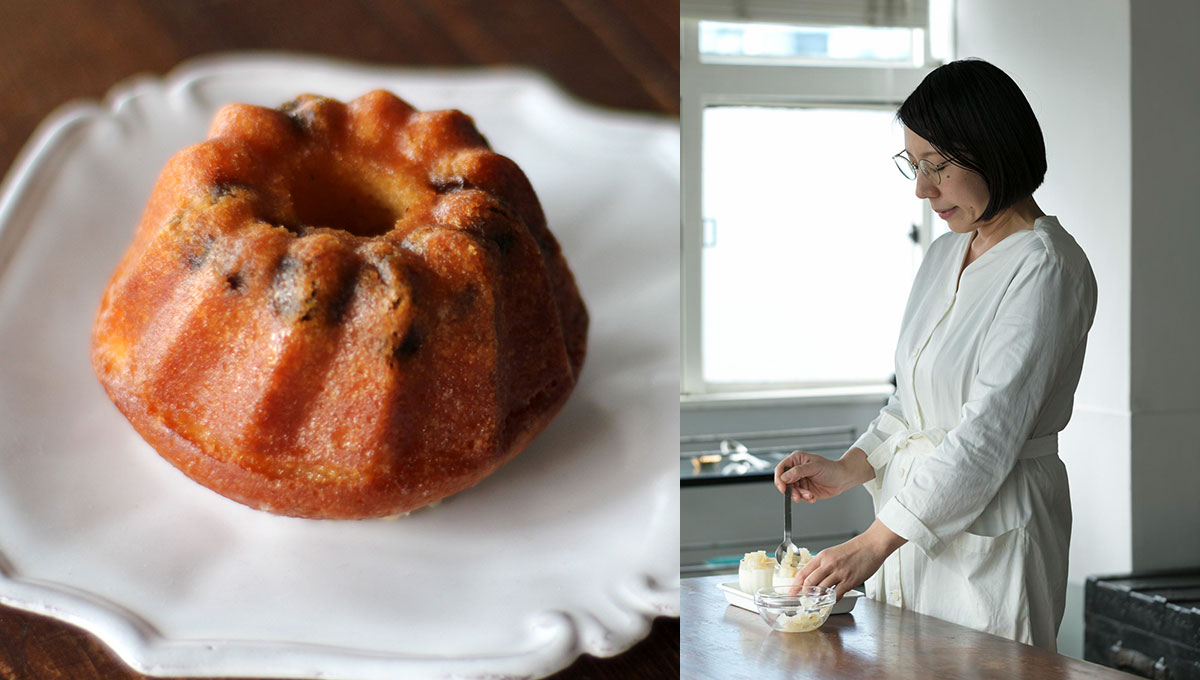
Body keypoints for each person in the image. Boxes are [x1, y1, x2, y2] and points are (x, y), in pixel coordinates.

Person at [772, 58, 1096, 652]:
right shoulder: (946, 254)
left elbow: (987, 435)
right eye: (914, 166)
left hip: (991, 540)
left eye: (936, 166)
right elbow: (910, 403)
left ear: (993, 149)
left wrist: (871, 542)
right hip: (910, 529)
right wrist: (849, 468)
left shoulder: (1045, 267)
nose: (922, 188)